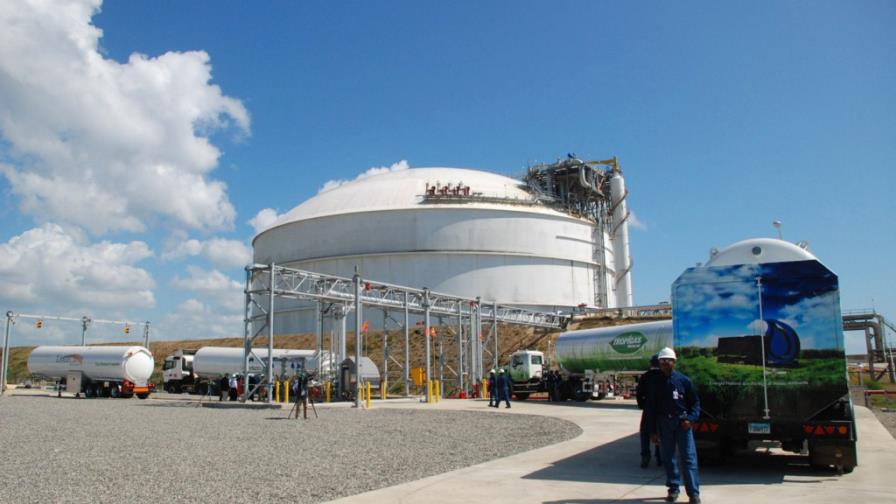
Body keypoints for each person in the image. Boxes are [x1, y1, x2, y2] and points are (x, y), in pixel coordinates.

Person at [646, 347, 701, 504]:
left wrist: (690, 419)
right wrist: (652, 431)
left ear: (674, 362)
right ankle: (673, 488)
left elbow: (695, 403)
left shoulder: (684, 381)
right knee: (668, 457)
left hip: (682, 424)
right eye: (662, 362)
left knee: (688, 458)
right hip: (664, 423)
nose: (664, 364)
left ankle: (693, 494)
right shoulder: (656, 384)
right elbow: (650, 409)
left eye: (668, 361)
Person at [636, 355, 663, 468]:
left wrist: (642, 405)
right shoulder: (664, 376)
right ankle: (659, 456)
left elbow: (639, 393)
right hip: (661, 409)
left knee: (645, 433)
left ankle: (645, 456)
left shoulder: (645, 376)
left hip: (648, 409)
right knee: (660, 432)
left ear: (651, 364)